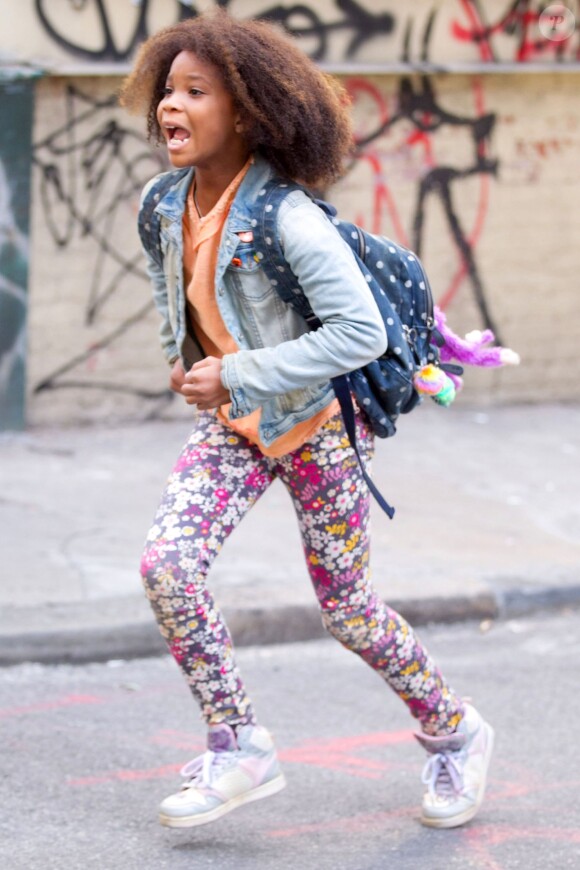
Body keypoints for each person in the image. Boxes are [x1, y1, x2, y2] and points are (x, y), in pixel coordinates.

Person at [120, 11, 494, 831]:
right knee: (167, 567)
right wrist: (182, 357)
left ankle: (457, 734)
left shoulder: (286, 217)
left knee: (349, 609)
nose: (169, 108)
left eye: (194, 93)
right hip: (237, 426)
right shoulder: (161, 201)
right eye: (166, 92)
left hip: (318, 428)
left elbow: (359, 332)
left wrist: (240, 370)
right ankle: (239, 744)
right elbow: (171, 282)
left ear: (248, 113)